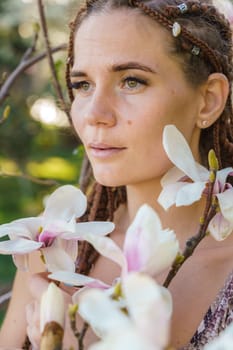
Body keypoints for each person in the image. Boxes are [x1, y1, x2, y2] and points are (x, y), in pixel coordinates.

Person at [0, 0, 233, 349]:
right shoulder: (52, 252)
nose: (95, 114)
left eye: (131, 81)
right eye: (82, 84)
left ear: (208, 100)